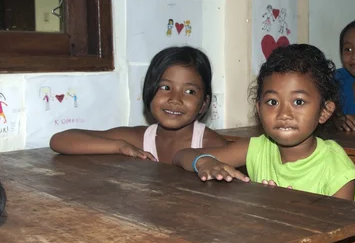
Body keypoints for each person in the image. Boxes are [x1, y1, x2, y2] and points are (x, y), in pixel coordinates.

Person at [173, 44, 355, 203]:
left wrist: (294, 213)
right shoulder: (258, 148)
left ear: (324, 111)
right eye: (272, 102)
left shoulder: (335, 166)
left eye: (299, 102)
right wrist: (204, 161)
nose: (284, 113)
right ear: (259, 109)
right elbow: (181, 155)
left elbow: (343, 234)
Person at [50, 46, 227, 163]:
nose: (175, 99)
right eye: (165, 87)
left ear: (204, 104)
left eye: (189, 91)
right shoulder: (138, 139)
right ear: (149, 91)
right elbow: (60, 140)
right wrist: (119, 147)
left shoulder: (212, 145)